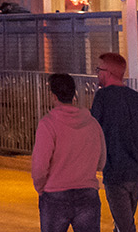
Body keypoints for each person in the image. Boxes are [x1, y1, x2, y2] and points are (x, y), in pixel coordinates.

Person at [90, 53, 138, 232]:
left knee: (125, 226)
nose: (97, 74)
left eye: (99, 69)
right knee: (122, 223)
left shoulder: (102, 97)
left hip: (115, 172)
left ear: (109, 72)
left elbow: (92, 132)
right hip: (136, 172)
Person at [32, 72, 106, 232]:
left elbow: (40, 166)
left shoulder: (48, 124)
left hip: (55, 194)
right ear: (74, 94)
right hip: (87, 193)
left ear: (53, 96)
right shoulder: (92, 123)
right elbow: (101, 160)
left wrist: (40, 187)